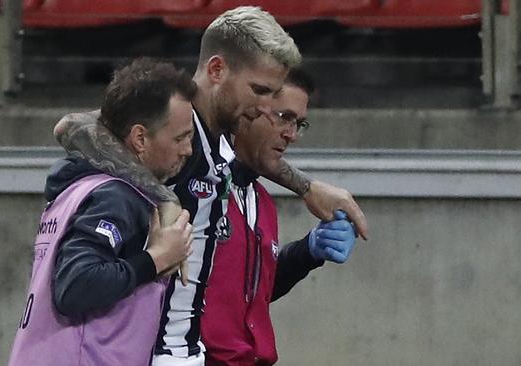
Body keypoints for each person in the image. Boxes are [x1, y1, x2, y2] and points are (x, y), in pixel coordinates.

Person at [53, 7, 368, 365]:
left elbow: (255, 157)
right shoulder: (171, 133)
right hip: (153, 351)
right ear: (217, 70)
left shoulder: (219, 146)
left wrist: (306, 189)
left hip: (190, 351)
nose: (264, 107)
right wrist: (164, 197)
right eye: (259, 91)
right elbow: (73, 128)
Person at [8, 58, 197, 366]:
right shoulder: (115, 196)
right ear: (139, 138)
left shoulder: (78, 188)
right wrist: (158, 258)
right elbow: (76, 285)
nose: (188, 150)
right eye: (179, 138)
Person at [201, 66, 357, 366]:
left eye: (300, 123)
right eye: (284, 117)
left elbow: (250, 297)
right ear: (247, 110)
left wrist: (307, 252)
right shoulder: (196, 184)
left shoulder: (262, 201)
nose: (292, 135)